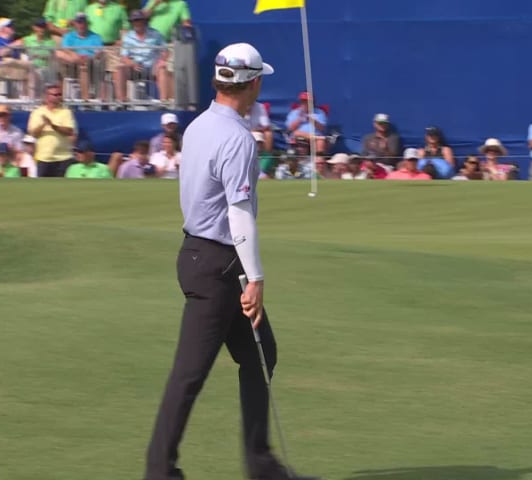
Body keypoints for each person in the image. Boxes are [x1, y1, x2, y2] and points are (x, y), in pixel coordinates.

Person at [143, 42, 320, 480]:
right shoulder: (239, 138)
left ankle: (261, 465)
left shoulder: (199, 125)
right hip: (219, 265)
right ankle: (159, 472)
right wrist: (255, 278)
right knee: (189, 374)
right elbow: (238, 213)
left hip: (201, 254)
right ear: (254, 83)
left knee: (261, 353)